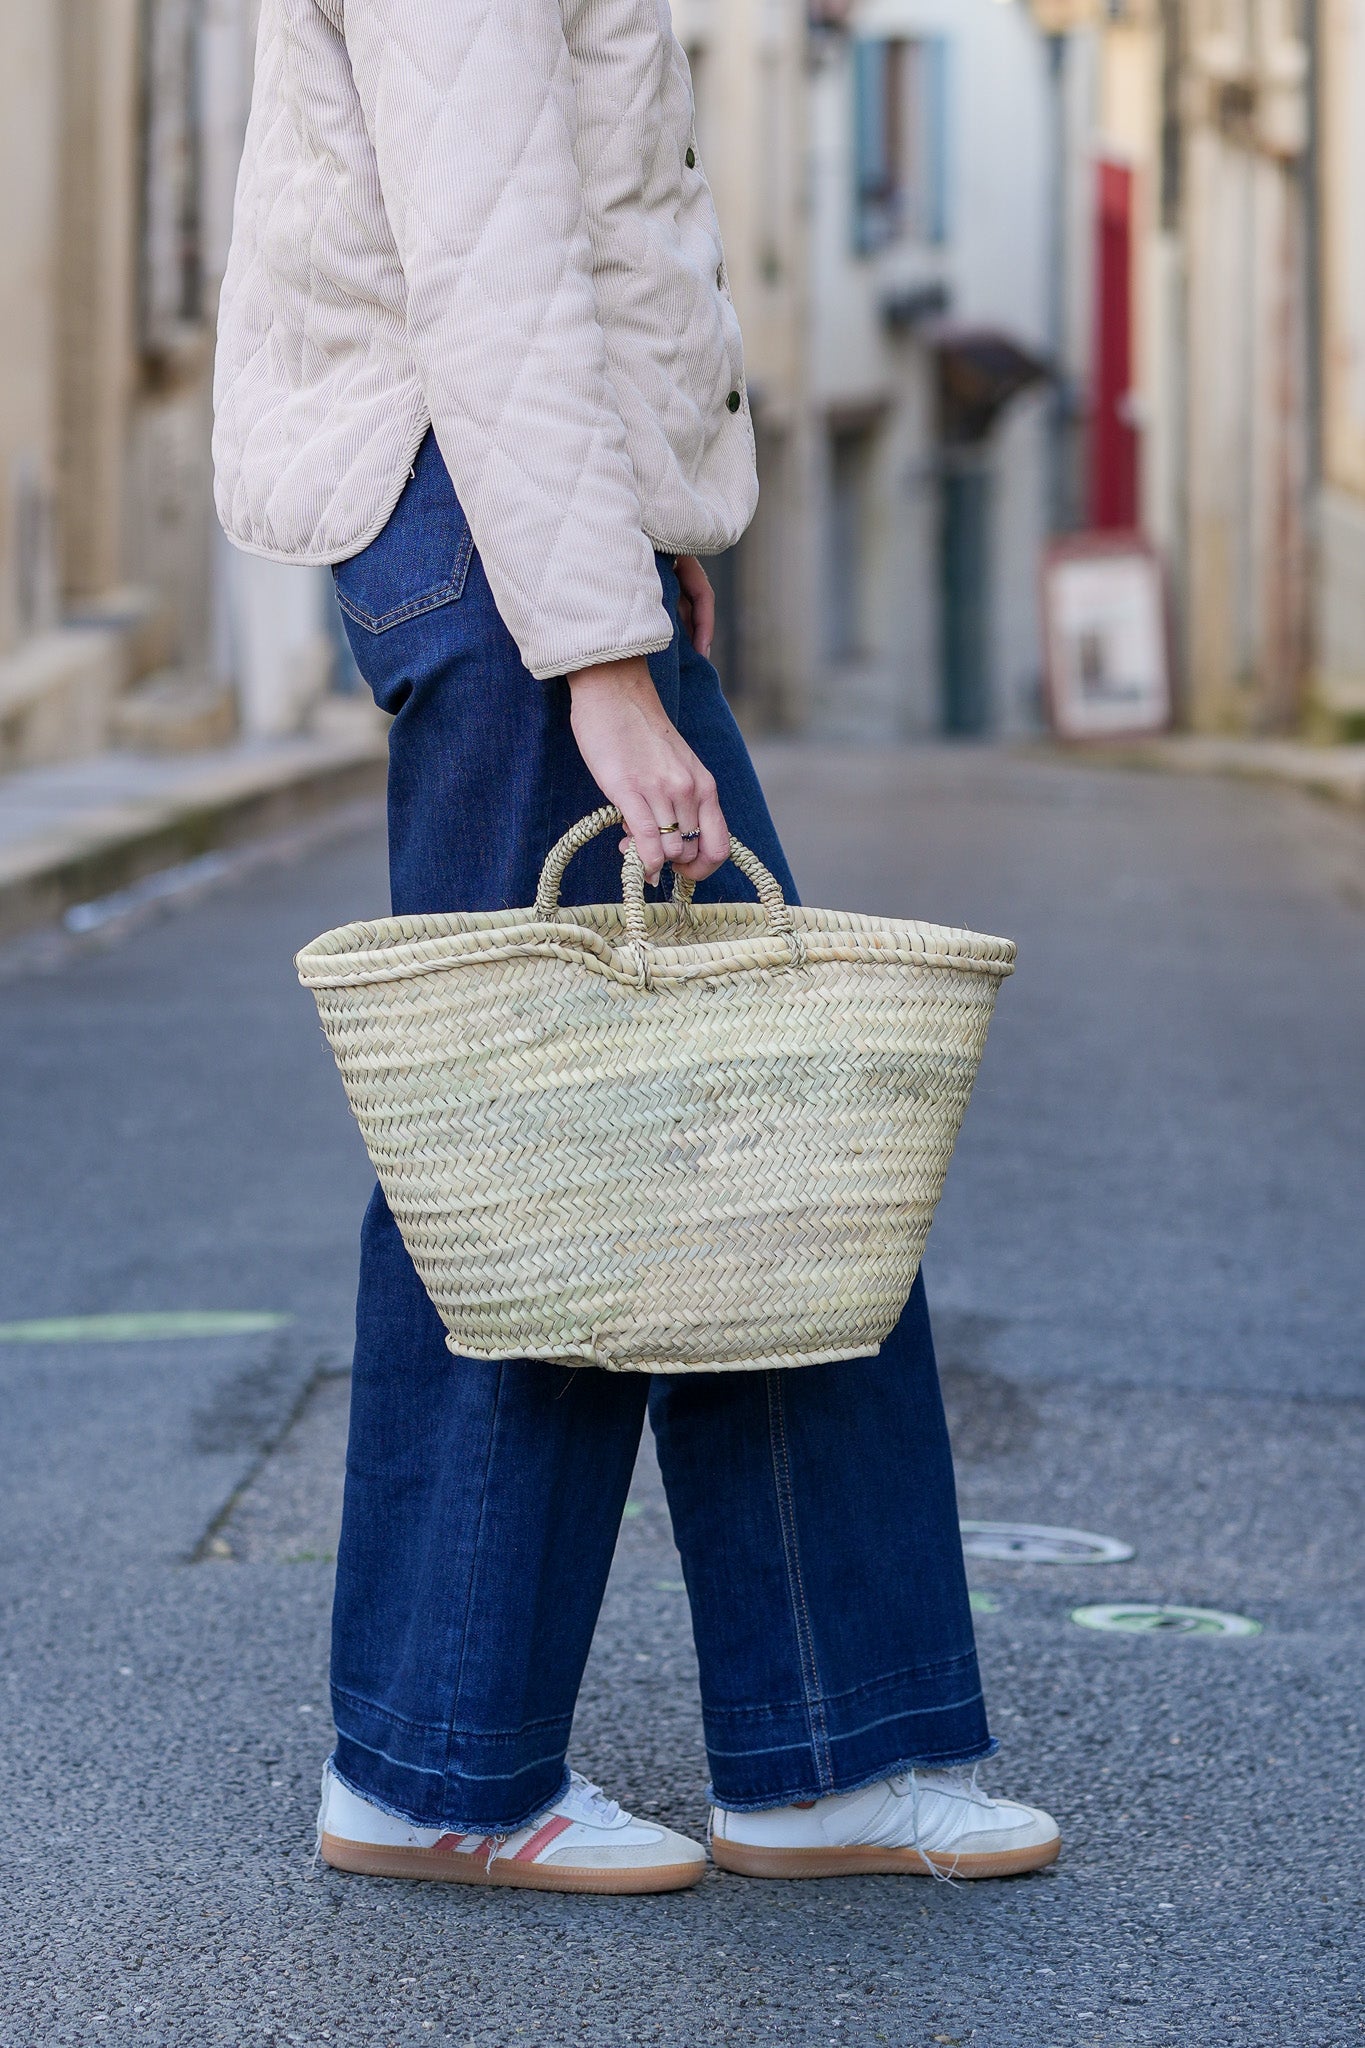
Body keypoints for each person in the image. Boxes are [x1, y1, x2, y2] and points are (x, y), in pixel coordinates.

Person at [213, 0, 1059, 1893]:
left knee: (729, 1126)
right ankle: (448, 1768)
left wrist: (646, 543)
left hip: (530, 528)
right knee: (561, 1135)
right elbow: (492, 255)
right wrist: (597, 652)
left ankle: (800, 1747)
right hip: (496, 537)